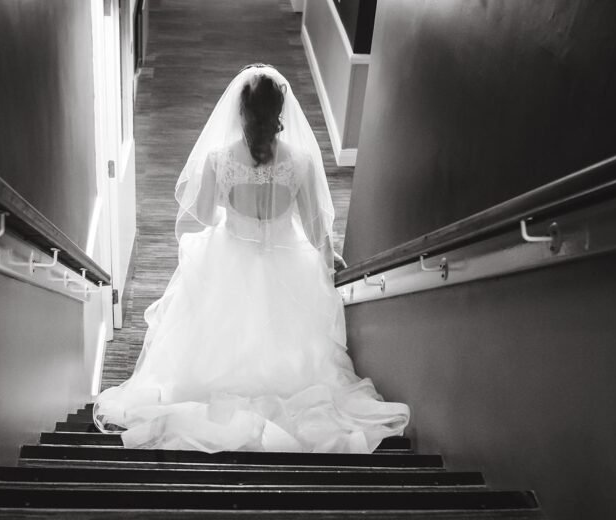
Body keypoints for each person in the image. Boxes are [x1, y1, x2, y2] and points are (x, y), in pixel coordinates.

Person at [93, 64, 409, 453]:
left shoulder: (218, 159)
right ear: (280, 113)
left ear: (240, 111)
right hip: (288, 264)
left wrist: (232, 203)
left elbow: (206, 217)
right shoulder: (302, 162)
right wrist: (329, 263)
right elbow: (315, 232)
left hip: (229, 259)